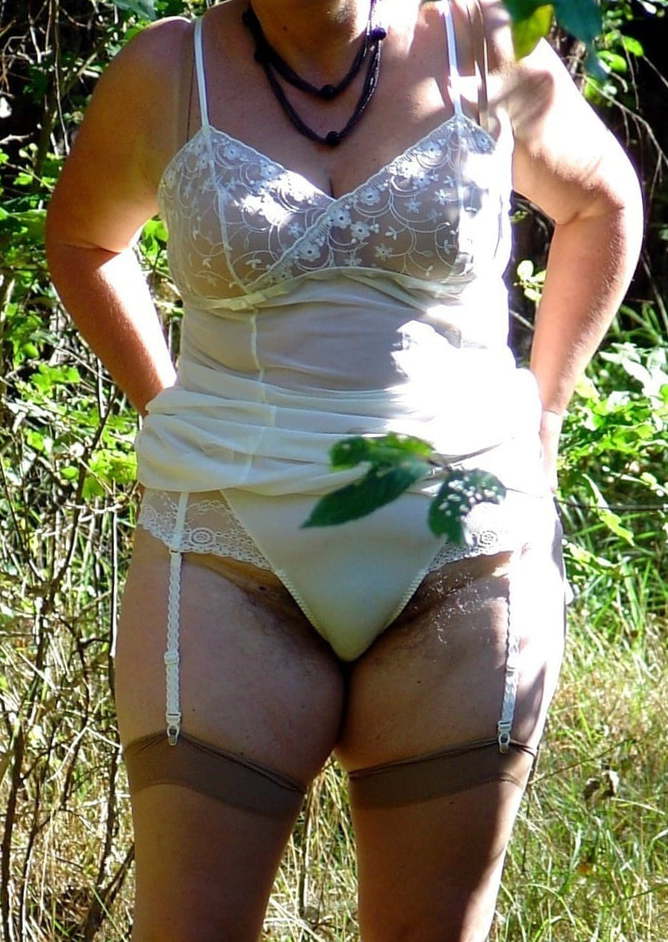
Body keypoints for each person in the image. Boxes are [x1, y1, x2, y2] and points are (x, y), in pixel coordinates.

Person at [45, 0, 643, 938]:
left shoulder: (481, 44)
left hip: (467, 549)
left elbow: (602, 200)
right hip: (224, 547)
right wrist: (165, 404)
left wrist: (547, 411)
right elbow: (84, 240)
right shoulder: (168, 70)